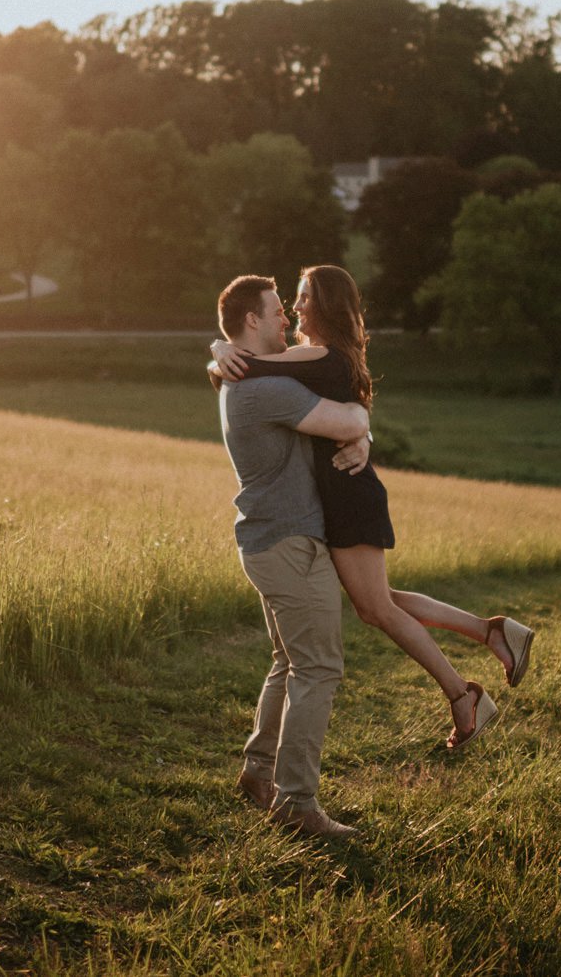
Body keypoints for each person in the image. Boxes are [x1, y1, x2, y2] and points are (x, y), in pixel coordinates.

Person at [211, 265, 534, 752]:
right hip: (345, 490)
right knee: (378, 601)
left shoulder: (316, 355)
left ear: (324, 305)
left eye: (301, 299)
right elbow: (305, 394)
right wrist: (362, 432)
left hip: (347, 495)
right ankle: (489, 634)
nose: (294, 309)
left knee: (376, 606)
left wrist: (219, 355)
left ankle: (464, 692)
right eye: (288, 303)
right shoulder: (328, 356)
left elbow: (250, 370)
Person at [215, 273, 372, 840]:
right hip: (290, 544)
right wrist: (363, 432)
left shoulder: (241, 380)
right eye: (276, 311)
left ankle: (259, 774)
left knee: (289, 663)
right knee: (318, 668)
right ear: (251, 322)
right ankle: (297, 803)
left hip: (266, 541)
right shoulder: (267, 389)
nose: (286, 318)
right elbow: (350, 419)